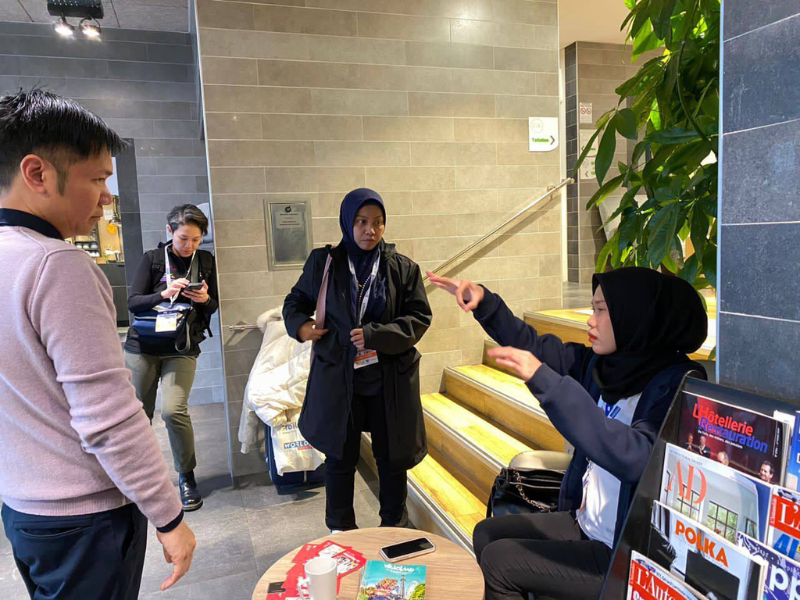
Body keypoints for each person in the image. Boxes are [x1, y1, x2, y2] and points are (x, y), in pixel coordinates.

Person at [0, 88, 195, 598]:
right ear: (37, 174)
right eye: (98, 178)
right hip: (84, 516)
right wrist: (169, 516)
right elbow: (107, 417)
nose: (108, 197)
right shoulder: (57, 265)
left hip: (23, 507)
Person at [428, 266, 708, 600]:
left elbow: (637, 457)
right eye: (592, 309)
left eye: (601, 310)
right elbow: (533, 345)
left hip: (623, 553)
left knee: (500, 563)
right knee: (487, 533)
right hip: (584, 525)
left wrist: (547, 382)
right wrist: (485, 303)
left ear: (635, 316)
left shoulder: (677, 385)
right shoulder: (606, 366)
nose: (590, 320)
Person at [283, 188, 432, 532]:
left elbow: (419, 318)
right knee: (340, 456)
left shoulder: (402, 268)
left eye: (378, 222)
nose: (370, 230)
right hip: (340, 378)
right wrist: (301, 327)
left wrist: (375, 335)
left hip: (387, 379)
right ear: (347, 223)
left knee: (392, 459)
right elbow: (295, 301)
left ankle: (393, 525)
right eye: (362, 222)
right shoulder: (325, 263)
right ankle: (340, 529)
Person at [124, 204, 218, 511]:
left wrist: (205, 298)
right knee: (139, 414)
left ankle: (186, 476)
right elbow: (133, 303)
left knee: (173, 410)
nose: (189, 246)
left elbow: (213, 306)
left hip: (182, 345)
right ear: (170, 232)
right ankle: (139, 478)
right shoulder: (152, 259)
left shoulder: (205, 261)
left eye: (196, 239)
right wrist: (164, 294)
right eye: (183, 239)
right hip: (143, 346)